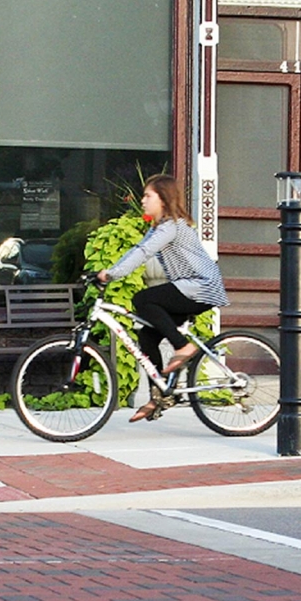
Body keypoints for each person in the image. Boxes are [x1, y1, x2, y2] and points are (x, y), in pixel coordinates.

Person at [97, 174, 229, 422]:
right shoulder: (159, 227)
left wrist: (110, 275)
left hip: (201, 287)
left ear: (164, 200)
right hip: (188, 288)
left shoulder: (172, 226)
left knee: (143, 299)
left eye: (148, 196)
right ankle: (161, 395)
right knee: (146, 335)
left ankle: (183, 346)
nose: (142, 200)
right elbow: (137, 250)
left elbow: (145, 253)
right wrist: (111, 271)